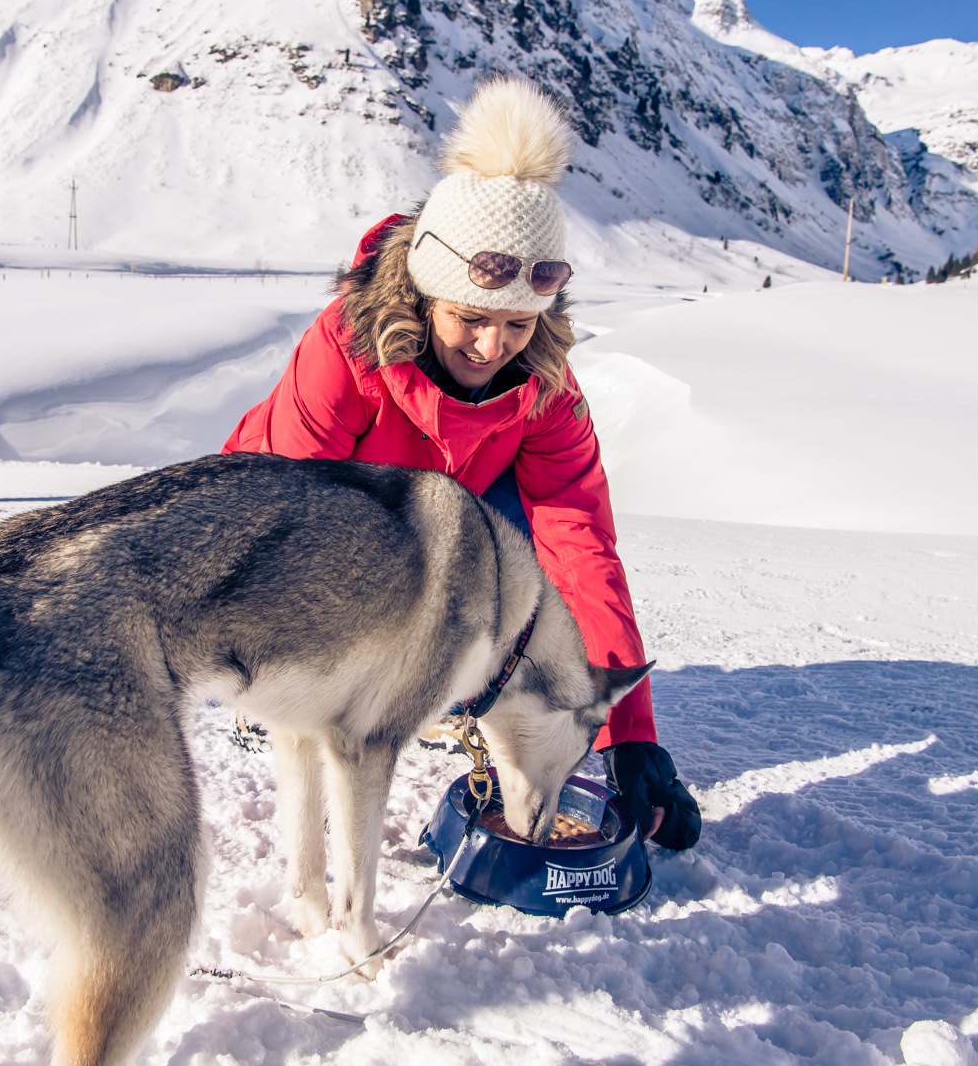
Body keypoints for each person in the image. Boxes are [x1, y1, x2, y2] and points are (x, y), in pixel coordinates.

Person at [222, 79, 700, 851]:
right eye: (470, 319)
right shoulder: (348, 347)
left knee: (516, 563)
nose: (491, 347)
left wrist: (627, 735)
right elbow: (286, 511)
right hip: (294, 510)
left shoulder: (546, 383)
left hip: (443, 509)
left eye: (517, 323)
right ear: (426, 293)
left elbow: (578, 542)